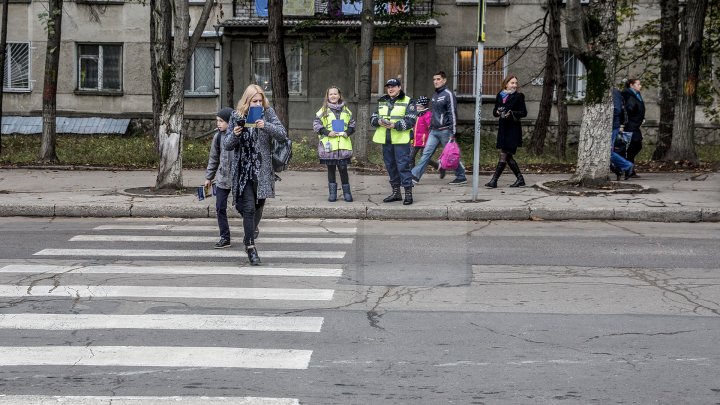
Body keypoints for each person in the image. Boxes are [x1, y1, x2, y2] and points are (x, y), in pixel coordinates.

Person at [223, 84, 287, 265]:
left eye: (260, 100)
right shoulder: (236, 116)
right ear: (247, 101)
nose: (258, 104)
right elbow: (227, 145)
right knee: (248, 208)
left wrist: (265, 125)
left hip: (263, 170)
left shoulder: (267, 113)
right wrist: (235, 134)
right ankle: (251, 247)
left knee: (258, 207)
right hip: (244, 171)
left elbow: (282, 134)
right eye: (254, 101)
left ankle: (250, 230)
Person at [411, 71, 468, 186]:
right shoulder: (435, 95)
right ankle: (414, 176)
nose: (435, 82)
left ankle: (461, 176)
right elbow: (434, 114)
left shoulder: (448, 94)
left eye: (438, 79)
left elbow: (452, 113)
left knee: (450, 154)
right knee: (426, 154)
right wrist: (431, 126)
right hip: (434, 131)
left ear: (444, 80)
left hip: (445, 130)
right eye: (434, 79)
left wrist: (453, 132)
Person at [371, 78, 416, 205]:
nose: (390, 89)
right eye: (388, 87)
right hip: (386, 139)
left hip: (401, 140)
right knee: (390, 166)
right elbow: (373, 117)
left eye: (393, 86)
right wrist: (378, 121)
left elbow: (411, 120)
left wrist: (394, 125)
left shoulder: (408, 101)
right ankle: (396, 193)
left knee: (403, 166)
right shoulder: (382, 101)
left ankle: (408, 194)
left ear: (399, 87)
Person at [313, 86, 356, 202]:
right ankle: (333, 194)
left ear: (339, 96)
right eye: (330, 94)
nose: (333, 96)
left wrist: (347, 132)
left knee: (343, 168)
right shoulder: (323, 111)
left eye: (335, 94)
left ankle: (347, 193)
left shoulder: (346, 111)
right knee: (331, 169)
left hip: (343, 146)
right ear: (327, 96)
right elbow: (317, 126)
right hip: (329, 146)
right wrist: (328, 132)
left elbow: (352, 125)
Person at [485, 75, 528, 188]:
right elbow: (495, 111)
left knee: (505, 154)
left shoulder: (519, 96)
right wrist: (498, 112)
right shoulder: (500, 95)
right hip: (503, 129)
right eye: (512, 83)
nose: (514, 85)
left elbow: (524, 112)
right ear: (506, 84)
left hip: (513, 129)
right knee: (507, 155)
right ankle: (520, 179)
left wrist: (512, 112)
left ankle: (494, 181)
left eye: (515, 83)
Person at [204, 107, 235, 249]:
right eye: (217, 121)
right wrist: (209, 177)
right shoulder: (217, 137)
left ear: (230, 122)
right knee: (220, 207)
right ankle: (225, 237)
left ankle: (252, 227)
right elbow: (213, 158)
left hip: (237, 179)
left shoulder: (237, 135)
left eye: (221, 121)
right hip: (222, 178)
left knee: (243, 207)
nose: (218, 124)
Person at [621, 78, 645, 177]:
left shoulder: (636, 95)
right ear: (631, 85)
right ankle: (627, 169)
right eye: (638, 84)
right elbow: (628, 110)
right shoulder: (629, 95)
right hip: (630, 125)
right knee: (634, 146)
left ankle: (628, 168)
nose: (640, 86)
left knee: (635, 146)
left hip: (635, 124)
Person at [610, 87, 634, 180]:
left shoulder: (613, 92)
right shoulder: (609, 91)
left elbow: (616, 110)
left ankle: (626, 166)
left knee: (607, 152)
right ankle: (618, 169)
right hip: (609, 126)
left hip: (611, 126)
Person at [409, 96, 439, 171]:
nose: (418, 107)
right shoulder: (416, 114)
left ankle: (436, 165)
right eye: (417, 106)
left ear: (424, 106)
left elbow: (431, 127)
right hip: (415, 140)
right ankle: (412, 172)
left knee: (424, 158)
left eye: (420, 106)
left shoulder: (428, 115)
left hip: (424, 140)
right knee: (410, 157)